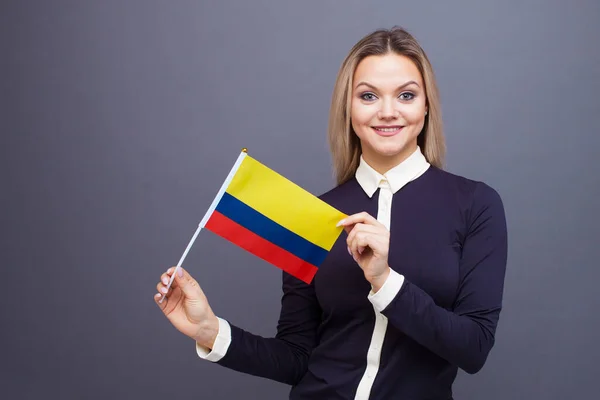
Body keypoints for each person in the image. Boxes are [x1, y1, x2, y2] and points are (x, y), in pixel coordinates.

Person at [154, 26, 508, 400]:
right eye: (368, 96)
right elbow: (296, 357)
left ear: (425, 106)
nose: (388, 112)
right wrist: (210, 331)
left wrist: (385, 281)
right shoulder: (316, 214)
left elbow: (474, 348)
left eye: (406, 95)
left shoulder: (475, 205)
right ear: (348, 107)